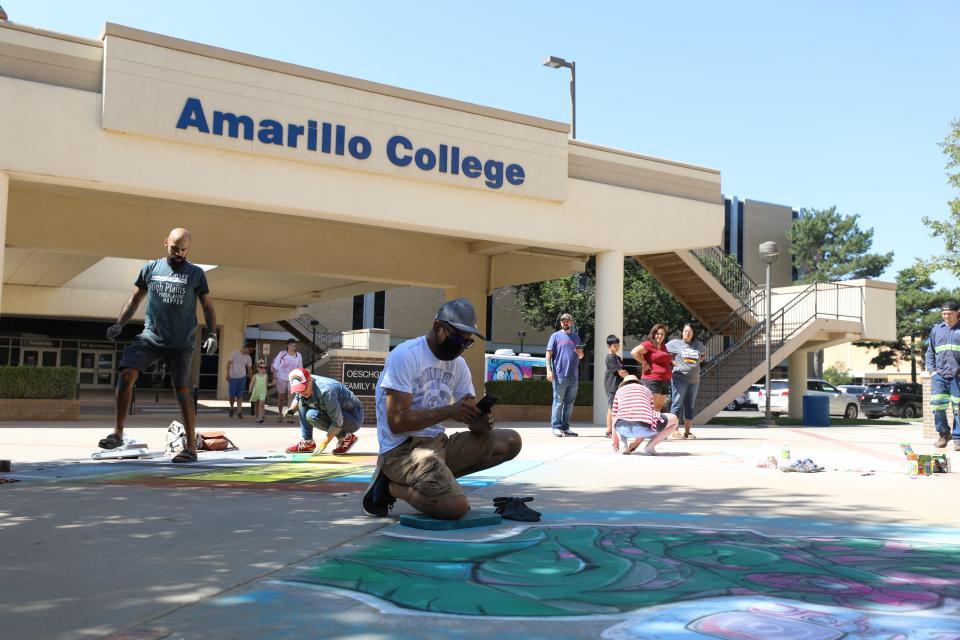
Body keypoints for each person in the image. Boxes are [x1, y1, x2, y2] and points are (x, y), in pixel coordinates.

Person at [362, 298, 522, 519]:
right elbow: (397, 422)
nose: (460, 346)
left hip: (438, 445)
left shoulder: (459, 365)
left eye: (466, 342)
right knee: (455, 508)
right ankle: (389, 486)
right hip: (402, 451)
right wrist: (449, 411)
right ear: (438, 327)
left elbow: (469, 416)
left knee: (510, 442)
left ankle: (437, 482)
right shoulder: (405, 355)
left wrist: (482, 422)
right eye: (456, 337)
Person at [98, 228, 218, 463]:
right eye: (175, 248)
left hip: (180, 343)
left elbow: (208, 307)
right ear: (165, 243)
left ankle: (191, 447)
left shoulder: (195, 274)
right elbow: (135, 299)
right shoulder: (150, 269)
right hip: (150, 338)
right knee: (126, 374)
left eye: (184, 249)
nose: (179, 253)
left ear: (188, 249)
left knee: (182, 391)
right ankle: (118, 433)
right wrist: (119, 324)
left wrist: (212, 333)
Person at [284, 368, 362, 455]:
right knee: (304, 403)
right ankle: (307, 442)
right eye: (298, 389)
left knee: (312, 415)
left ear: (310, 380)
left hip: (353, 416)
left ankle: (346, 437)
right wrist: (291, 409)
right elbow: (298, 398)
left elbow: (337, 421)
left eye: (303, 388)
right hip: (338, 413)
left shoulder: (326, 391)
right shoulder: (303, 381)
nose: (301, 392)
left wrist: (324, 443)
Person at [610, 375, 679, 455]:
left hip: (623, 429)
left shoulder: (619, 391)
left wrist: (615, 440)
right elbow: (649, 415)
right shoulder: (647, 390)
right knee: (674, 419)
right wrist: (637, 443)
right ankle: (650, 446)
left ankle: (624, 444)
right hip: (644, 429)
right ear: (639, 383)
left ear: (623, 384)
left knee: (620, 418)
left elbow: (614, 416)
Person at [926, 300, 960, 450]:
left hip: (957, 377)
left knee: (958, 408)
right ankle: (944, 434)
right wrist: (932, 371)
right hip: (939, 376)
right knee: (938, 407)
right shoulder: (936, 330)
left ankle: (958, 438)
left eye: (949, 313)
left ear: (957, 313)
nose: (946, 316)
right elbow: (930, 352)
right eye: (944, 313)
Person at [546, 312, 584, 437]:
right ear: (561, 323)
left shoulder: (576, 337)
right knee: (558, 402)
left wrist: (579, 353)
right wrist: (549, 370)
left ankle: (565, 427)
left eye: (567, 320)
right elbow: (548, 355)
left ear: (571, 322)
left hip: (573, 376)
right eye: (563, 321)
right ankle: (556, 427)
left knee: (569, 403)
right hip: (559, 375)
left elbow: (581, 355)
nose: (565, 322)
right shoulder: (555, 336)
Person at [666, 323, 707, 440]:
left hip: (694, 380)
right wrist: (671, 361)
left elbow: (704, 352)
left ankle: (688, 432)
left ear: (693, 333)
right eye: (685, 331)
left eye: (690, 331)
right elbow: (663, 351)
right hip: (679, 378)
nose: (687, 333)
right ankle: (674, 430)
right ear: (682, 332)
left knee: (690, 406)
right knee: (677, 403)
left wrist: (700, 359)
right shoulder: (675, 344)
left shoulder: (697, 345)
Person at [631, 323, 673, 412]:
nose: (660, 336)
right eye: (658, 333)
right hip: (652, 380)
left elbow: (662, 358)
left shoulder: (663, 346)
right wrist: (644, 362)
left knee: (658, 408)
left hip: (665, 381)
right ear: (653, 334)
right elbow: (634, 352)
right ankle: (647, 426)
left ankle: (655, 426)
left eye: (662, 334)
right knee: (650, 408)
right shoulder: (649, 344)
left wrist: (671, 361)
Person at [272, 339, 303, 423]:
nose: (293, 347)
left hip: (292, 378)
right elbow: (275, 367)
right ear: (287, 345)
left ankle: (289, 416)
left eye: (294, 345)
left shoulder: (298, 355)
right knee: (281, 397)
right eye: (291, 345)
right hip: (281, 377)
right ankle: (279, 414)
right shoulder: (282, 354)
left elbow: (300, 368)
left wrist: (301, 380)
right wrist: (274, 378)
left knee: (291, 397)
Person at [603, 334, 628, 438]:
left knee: (617, 407)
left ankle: (615, 429)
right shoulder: (610, 357)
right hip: (612, 386)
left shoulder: (617, 357)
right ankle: (609, 430)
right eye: (614, 346)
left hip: (618, 386)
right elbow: (620, 372)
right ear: (609, 346)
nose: (617, 347)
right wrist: (629, 377)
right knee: (612, 407)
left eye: (618, 345)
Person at [226, 344, 253, 418]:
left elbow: (249, 369)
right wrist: (228, 374)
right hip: (233, 378)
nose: (250, 352)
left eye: (251, 351)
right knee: (232, 396)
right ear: (245, 348)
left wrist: (252, 380)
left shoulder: (248, 357)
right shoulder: (235, 353)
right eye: (249, 350)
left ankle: (239, 412)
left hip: (242, 378)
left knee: (240, 395)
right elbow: (229, 363)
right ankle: (231, 408)